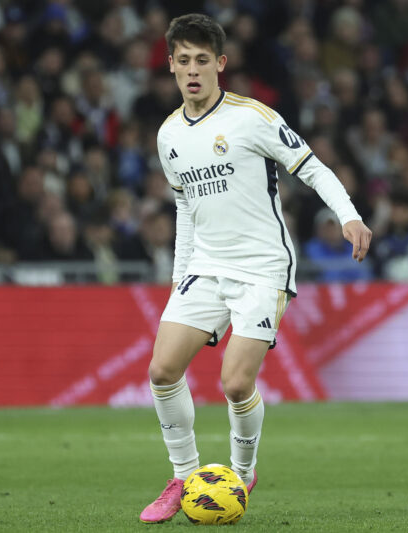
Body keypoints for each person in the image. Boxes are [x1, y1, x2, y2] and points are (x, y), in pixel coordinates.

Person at [140, 14, 371, 524]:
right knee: (161, 371)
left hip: (263, 267)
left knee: (235, 384)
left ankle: (241, 476)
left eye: (203, 60)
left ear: (220, 64)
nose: (193, 70)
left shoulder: (252, 117)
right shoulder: (169, 135)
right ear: (172, 67)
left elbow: (311, 165)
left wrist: (349, 216)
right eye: (184, 61)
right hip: (205, 265)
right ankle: (184, 477)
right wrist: (181, 275)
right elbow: (185, 208)